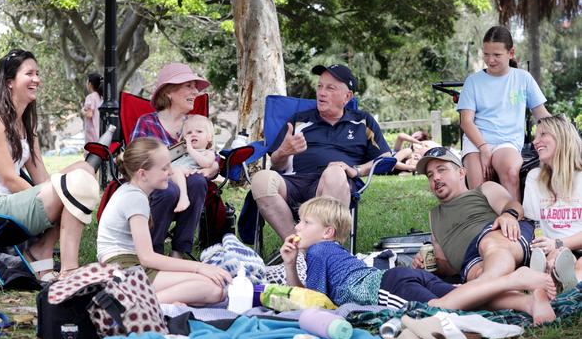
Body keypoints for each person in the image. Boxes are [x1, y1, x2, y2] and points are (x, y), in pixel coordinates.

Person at [280, 196, 556, 325]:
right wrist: (291, 263)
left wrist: (292, 266)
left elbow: (311, 299)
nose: (298, 227)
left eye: (305, 222)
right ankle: (528, 301)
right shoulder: (334, 252)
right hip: (397, 278)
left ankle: (514, 279)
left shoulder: (317, 251)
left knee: (437, 309)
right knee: (465, 296)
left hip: (386, 289)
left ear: (327, 232)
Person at [0, 49, 100, 281]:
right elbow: (9, 178)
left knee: (84, 169)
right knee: (74, 186)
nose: (36, 79)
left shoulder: (26, 124)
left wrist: (58, 194)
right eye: (29, 73)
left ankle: (42, 251)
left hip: (14, 203)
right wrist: (57, 197)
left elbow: (42, 180)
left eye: (37, 73)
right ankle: (67, 268)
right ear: (9, 82)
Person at [251, 64, 391, 240]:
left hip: (333, 183)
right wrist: (283, 152)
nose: (321, 93)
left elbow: (386, 158)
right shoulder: (299, 120)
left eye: (330, 88)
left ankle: (321, 250)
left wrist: (356, 170)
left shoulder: (362, 122)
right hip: (293, 183)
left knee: (334, 172)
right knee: (261, 179)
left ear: (347, 97)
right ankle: (296, 246)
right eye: (320, 86)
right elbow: (278, 164)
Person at [97, 137, 231, 305]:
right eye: (164, 168)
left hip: (128, 267)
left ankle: (151, 301)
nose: (171, 171)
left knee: (209, 288)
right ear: (143, 174)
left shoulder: (132, 192)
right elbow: (147, 257)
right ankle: (137, 306)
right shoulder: (135, 199)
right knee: (213, 288)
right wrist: (199, 267)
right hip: (124, 270)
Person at [131, 62, 218, 258]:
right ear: (169, 92)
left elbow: (212, 152)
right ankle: (153, 252)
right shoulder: (147, 123)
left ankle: (180, 251)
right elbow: (134, 160)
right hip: (153, 187)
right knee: (167, 189)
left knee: (197, 181)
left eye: (195, 87)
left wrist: (212, 166)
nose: (195, 92)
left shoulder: (194, 123)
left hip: (189, 181)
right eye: (189, 86)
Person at [411, 147, 533, 283]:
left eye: (441, 170)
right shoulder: (434, 217)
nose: (436, 178)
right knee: (477, 275)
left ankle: (475, 289)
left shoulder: (484, 189)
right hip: (471, 262)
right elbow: (448, 267)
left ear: (461, 172)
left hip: (500, 238)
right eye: (430, 175)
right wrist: (427, 263)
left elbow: (513, 205)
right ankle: (517, 286)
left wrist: (508, 215)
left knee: (488, 244)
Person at [457, 25, 550, 201]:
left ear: (511, 52)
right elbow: (466, 122)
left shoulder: (523, 78)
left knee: (511, 171)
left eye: (497, 55)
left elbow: (542, 115)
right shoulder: (473, 82)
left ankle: (515, 220)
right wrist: (483, 148)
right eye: (486, 54)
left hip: (507, 142)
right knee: (480, 188)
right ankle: (485, 226)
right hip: (477, 141)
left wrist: (563, 132)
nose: (490, 60)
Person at [523, 115, 582, 290]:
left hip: (569, 244)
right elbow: (534, 224)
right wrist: (546, 249)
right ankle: (558, 281)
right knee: (558, 261)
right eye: (535, 136)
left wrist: (558, 244)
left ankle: (564, 287)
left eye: (542, 134)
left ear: (562, 137)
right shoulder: (534, 178)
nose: (535, 141)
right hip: (554, 249)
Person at [171, 114, 216, 213]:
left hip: (183, 175)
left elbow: (206, 164)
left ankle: (184, 198)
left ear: (209, 138)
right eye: (189, 132)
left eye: (199, 131)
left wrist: (191, 150)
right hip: (170, 176)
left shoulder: (208, 153)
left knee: (176, 169)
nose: (193, 134)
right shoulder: (183, 151)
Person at [81, 72, 104, 144]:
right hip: (99, 133)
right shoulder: (100, 97)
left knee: (91, 153)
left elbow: (89, 114)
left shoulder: (90, 97)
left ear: (90, 84)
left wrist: (82, 111)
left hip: (92, 134)